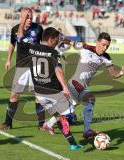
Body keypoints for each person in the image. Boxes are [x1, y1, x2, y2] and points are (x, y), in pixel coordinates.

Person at [17, 10, 82, 150]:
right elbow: (58, 70)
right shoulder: (54, 52)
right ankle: (56, 127)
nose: (58, 41)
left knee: (59, 117)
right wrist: (65, 87)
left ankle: (72, 143)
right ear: (51, 39)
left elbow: (20, 35)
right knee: (72, 111)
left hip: (39, 94)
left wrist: (22, 20)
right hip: (54, 92)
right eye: (57, 39)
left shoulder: (32, 47)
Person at [44, 32, 124, 139]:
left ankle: (48, 124)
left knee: (68, 108)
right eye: (103, 44)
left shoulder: (106, 57)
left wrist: (121, 72)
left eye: (107, 46)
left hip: (82, 87)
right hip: (74, 84)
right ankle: (87, 130)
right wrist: (58, 38)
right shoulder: (86, 48)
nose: (105, 48)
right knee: (88, 100)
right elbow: (70, 42)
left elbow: (113, 74)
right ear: (97, 42)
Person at [0, 8, 45, 130]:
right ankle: (7, 123)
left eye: (31, 18)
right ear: (22, 17)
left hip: (36, 65)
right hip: (21, 66)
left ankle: (42, 124)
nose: (29, 20)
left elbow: (43, 45)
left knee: (38, 96)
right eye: (27, 18)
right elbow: (12, 44)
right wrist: (8, 60)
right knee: (14, 95)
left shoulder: (38, 29)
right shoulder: (15, 30)